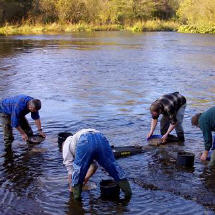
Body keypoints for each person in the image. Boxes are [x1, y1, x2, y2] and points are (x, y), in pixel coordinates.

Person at [63, 128, 132, 200]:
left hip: (85, 140)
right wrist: (85, 180)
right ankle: (128, 194)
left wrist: (72, 188)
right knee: (113, 167)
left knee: (78, 171)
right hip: (100, 137)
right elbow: (94, 166)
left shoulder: (66, 146)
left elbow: (70, 170)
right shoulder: (74, 140)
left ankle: (76, 200)